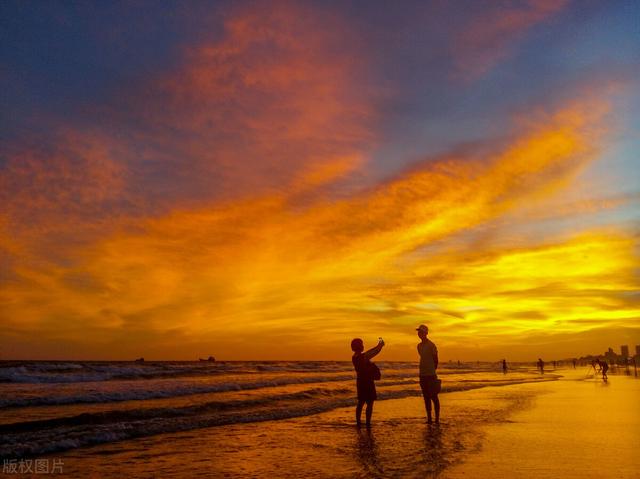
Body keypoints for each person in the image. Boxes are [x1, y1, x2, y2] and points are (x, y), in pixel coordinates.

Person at [351, 337, 384, 427]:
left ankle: (358, 422)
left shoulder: (354, 357)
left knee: (361, 402)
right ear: (358, 346)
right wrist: (380, 345)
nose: (363, 346)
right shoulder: (362, 357)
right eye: (361, 344)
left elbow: (371, 352)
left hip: (360, 381)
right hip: (367, 381)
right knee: (369, 403)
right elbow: (374, 352)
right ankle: (367, 423)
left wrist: (379, 346)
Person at [416, 324, 440, 424]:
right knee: (426, 397)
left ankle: (437, 418)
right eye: (418, 331)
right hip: (422, 375)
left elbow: (436, 360)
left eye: (421, 331)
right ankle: (429, 418)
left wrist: (432, 371)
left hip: (430, 375)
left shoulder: (431, 345)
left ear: (426, 333)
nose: (419, 333)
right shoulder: (419, 346)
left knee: (433, 396)